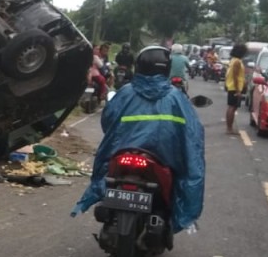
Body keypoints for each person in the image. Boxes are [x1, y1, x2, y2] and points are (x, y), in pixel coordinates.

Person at [71, 45, 206, 234]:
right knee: (185, 175)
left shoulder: (125, 92)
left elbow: (107, 120)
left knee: (105, 171)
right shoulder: (177, 97)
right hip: (165, 156)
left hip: (124, 149)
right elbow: (193, 134)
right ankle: (175, 215)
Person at [224, 42, 247, 134]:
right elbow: (235, 76)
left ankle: (229, 127)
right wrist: (238, 91)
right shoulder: (237, 62)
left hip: (232, 86)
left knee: (232, 107)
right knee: (232, 108)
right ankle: (229, 128)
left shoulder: (233, 60)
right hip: (234, 87)